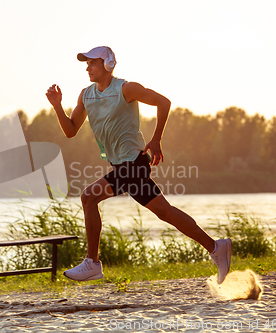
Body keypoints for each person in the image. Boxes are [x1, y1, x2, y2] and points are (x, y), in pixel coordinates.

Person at [45, 46, 232, 284]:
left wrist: (156, 139)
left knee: (88, 197)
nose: (87, 67)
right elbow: (71, 131)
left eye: (92, 63)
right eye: (86, 63)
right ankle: (216, 247)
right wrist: (57, 106)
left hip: (134, 163)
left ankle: (92, 262)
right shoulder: (86, 95)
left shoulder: (126, 89)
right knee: (165, 212)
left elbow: (163, 102)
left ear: (108, 64)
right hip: (121, 166)